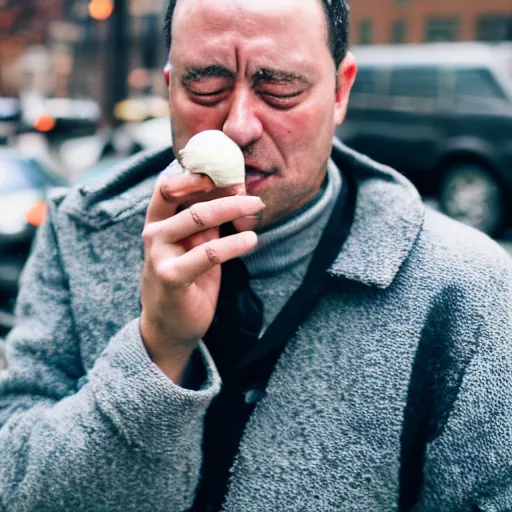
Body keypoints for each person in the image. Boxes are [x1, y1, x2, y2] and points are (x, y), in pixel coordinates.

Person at [1, 0, 512, 510]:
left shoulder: (465, 288)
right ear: (170, 86)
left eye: (281, 88)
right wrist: (157, 350)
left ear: (341, 90)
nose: (238, 127)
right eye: (205, 85)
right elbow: (16, 483)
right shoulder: (79, 233)